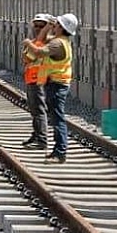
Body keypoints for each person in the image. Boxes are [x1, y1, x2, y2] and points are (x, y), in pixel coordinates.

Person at [23, 13, 78, 164]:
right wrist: (47, 27)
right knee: (55, 118)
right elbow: (40, 40)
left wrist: (28, 43)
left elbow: (38, 50)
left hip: (57, 85)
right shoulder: (60, 41)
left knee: (58, 119)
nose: (55, 27)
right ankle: (58, 151)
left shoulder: (58, 43)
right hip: (56, 84)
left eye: (57, 25)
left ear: (62, 27)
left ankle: (60, 152)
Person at [21, 13, 52, 150]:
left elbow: (30, 56)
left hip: (39, 80)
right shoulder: (35, 42)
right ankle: (36, 134)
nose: (38, 28)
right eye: (36, 25)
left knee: (39, 110)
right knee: (34, 110)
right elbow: (26, 58)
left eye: (42, 26)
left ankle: (42, 140)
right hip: (31, 79)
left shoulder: (47, 42)